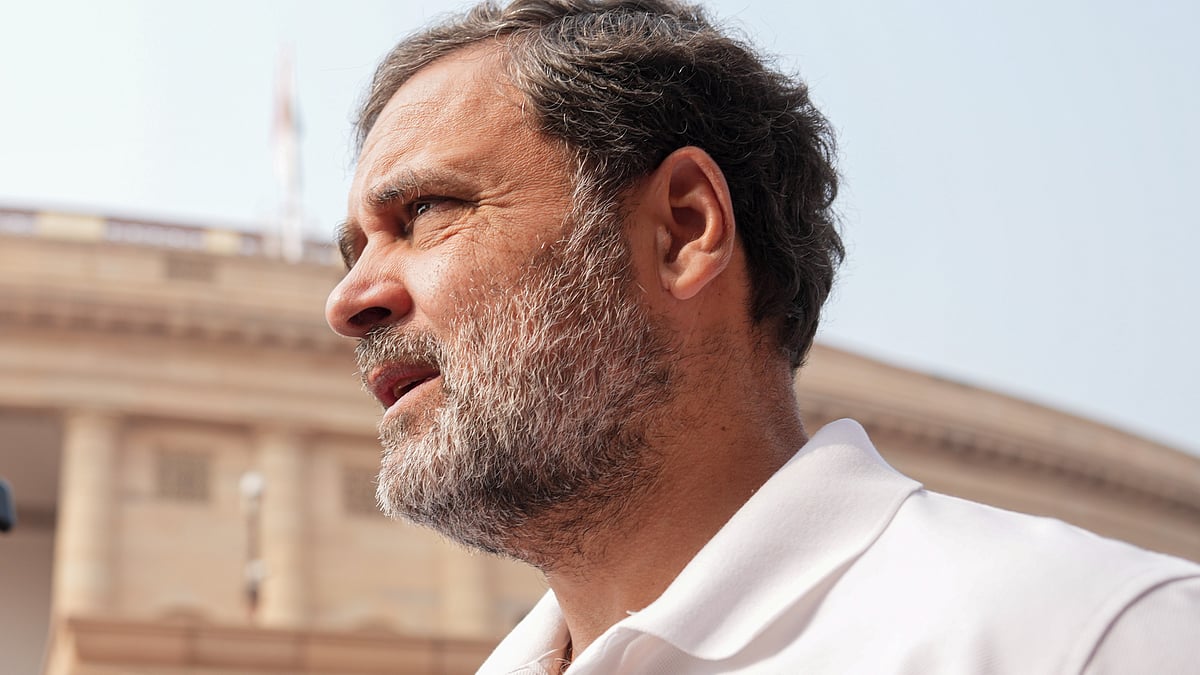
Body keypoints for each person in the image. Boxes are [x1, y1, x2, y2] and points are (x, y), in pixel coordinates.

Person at [324, 1, 1200, 672]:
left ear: (683, 228)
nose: (347, 300)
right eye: (354, 250)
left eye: (425, 211)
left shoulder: (1090, 638)